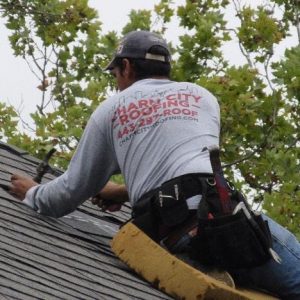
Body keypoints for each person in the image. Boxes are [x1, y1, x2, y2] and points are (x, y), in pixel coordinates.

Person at [10, 30, 300, 299]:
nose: (117, 82)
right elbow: (188, 165)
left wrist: (33, 192)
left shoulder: (112, 110)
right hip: (227, 224)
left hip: (171, 233)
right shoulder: (204, 98)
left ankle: (200, 260)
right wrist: (123, 190)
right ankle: (219, 261)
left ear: (126, 67)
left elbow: (70, 192)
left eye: (115, 74)